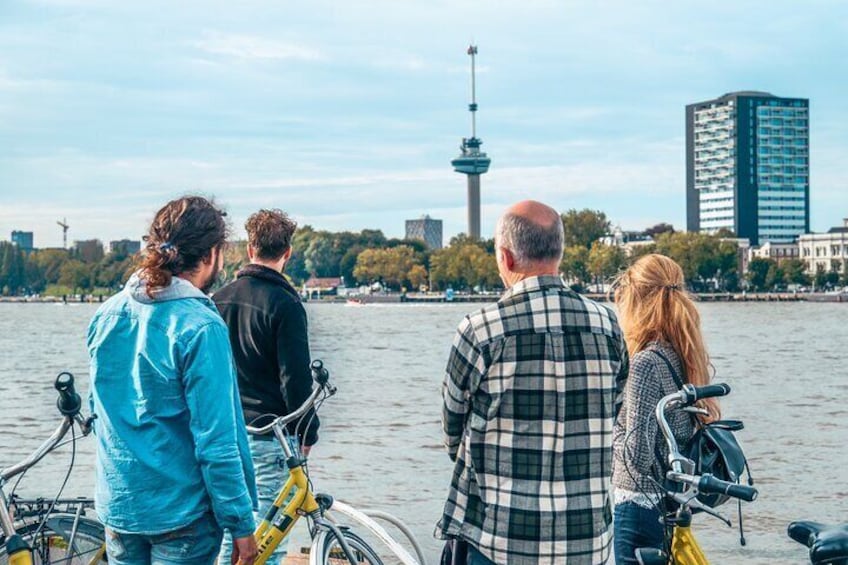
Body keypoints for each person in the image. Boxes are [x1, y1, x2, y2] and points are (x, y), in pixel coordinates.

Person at [436, 200, 629, 565]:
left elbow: (452, 429)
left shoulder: (480, 330)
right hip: (586, 541)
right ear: (560, 252)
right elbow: (614, 406)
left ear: (506, 258)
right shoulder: (607, 325)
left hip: (501, 537)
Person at [87, 196, 258, 565]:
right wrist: (241, 524)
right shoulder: (200, 326)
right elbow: (217, 441)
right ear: (212, 254)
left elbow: (96, 411)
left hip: (120, 506)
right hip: (181, 515)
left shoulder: (106, 315)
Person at [214, 209, 320, 564]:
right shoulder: (286, 304)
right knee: (266, 543)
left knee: (231, 537)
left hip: (226, 436)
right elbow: (296, 380)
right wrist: (308, 432)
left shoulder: (218, 300)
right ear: (287, 253)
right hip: (267, 434)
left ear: (249, 249)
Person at [611, 254, 720, 564]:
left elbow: (638, 458)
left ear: (636, 300)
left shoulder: (646, 361)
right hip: (669, 501)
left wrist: (610, 432)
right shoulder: (681, 353)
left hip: (639, 503)